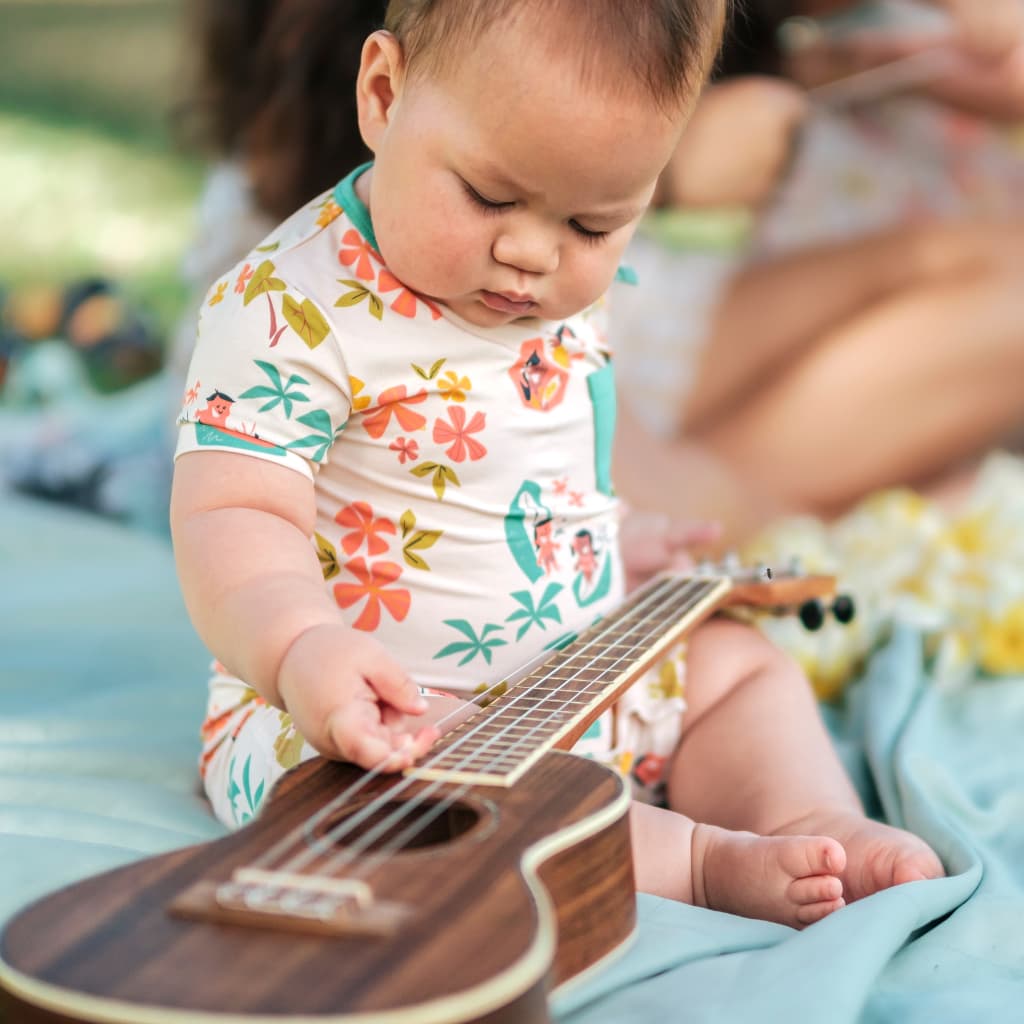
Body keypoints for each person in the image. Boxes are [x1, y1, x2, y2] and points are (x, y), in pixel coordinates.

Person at [170, 0, 943, 930]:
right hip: (372, 722)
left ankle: (804, 818)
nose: (531, 254)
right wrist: (299, 648)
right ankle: (699, 862)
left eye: (593, 222)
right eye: (490, 198)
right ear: (383, 94)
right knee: (436, 800)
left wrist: (605, 542)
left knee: (738, 666)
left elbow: (529, 470)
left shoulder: (557, 298)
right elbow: (235, 516)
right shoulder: (287, 309)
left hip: (565, 676)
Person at [612, 0, 1024, 533]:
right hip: (613, 312)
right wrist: (665, 173)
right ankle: (717, 514)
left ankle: (731, 512)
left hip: (691, 297)